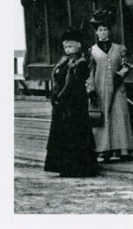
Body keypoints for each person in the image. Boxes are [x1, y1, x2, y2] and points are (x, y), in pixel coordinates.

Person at [43, 29, 99, 177]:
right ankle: (64, 167)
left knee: (74, 134)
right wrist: (55, 96)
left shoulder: (80, 62)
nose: (68, 49)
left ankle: (77, 168)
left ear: (78, 46)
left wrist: (60, 97)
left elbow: (74, 84)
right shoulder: (63, 61)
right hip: (62, 103)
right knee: (63, 134)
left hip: (74, 103)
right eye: (66, 47)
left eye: (71, 46)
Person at [86, 9, 133, 161]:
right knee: (102, 119)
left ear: (109, 31)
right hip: (100, 89)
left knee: (119, 117)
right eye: (100, 30)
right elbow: (89, 73)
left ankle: (122, 149)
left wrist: (120, 75)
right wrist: (91, 89)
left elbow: (126, 65)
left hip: (117, 88)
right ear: (96, 32)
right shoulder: (92, 51)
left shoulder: (119, 48)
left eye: (105, 29)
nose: (103, 33)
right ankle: (103, 150)